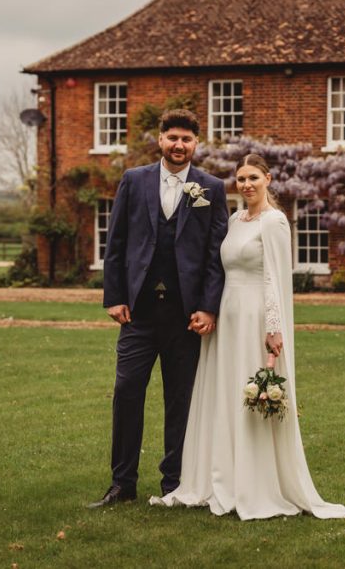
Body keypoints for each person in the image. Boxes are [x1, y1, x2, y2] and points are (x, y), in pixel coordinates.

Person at [151, 154, 345, 520]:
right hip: (227, 316)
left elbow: (275, 277)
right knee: (223, 393)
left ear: (269, 179)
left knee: (250, 393)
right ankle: (217, 476)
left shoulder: (274, 222)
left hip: (255, 317)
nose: (246, 184)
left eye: (253, 177)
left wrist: (273, 329)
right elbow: (218, 268)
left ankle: (254, 481)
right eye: (241, 178)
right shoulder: (234, 220)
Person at [89, 109, 229, 508]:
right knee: (127, 391)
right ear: (160, 140)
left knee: (180, 400)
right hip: (140, 313)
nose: (179, 145)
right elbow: (116, 243)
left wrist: (208, 307)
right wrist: (114, 296)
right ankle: (122, 483)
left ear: (196, 144)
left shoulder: (211, 188)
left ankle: (175, 484)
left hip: (186, 316)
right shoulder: (134, 181)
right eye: (172, 138)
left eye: (186, 139)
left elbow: (215, 256)